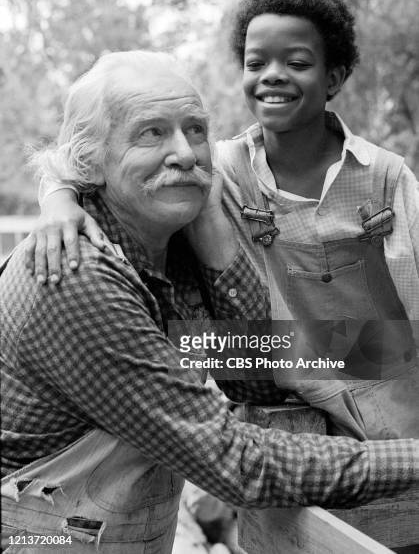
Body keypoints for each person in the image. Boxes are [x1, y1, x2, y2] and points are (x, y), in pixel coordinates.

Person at [4, 50, 418, 554]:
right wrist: (411, 459)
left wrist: (217, 238)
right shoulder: (76, 275)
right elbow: (232, 460)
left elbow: (253, 375)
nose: (184, 152)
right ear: (91, 161)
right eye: (151, 132)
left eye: (196, 130)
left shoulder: (175, 237)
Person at [34, 0, 419, 443]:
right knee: (193, 346)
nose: (273, 74)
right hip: (279, 420)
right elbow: (86, 162)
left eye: (297, 62)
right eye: (256, 63)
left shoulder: (385, 178)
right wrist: (58, 199)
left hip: (392, 417)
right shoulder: (217, 169)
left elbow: (407, 328)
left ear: (333, 76)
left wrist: (294, 349)